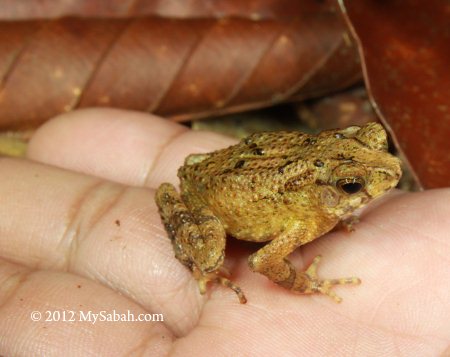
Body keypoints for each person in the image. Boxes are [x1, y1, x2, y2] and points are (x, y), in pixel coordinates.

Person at [0, 108, 448, 356]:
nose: (389, 172)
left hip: (237, 170)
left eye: (379, 143)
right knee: (213, 256)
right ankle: (206, 268)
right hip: (213, 197)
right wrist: (306, 283)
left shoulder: (319, 204)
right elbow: (263, 260)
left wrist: (341, 209)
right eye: (354, 185)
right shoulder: (302, 219)